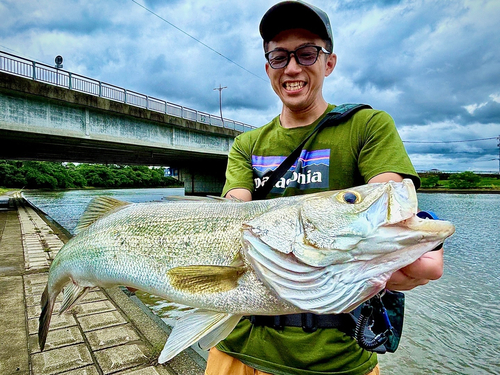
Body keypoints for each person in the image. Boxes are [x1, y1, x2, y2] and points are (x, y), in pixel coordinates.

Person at [204, 1, 444, 374]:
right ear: (268, 68)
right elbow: (232, 211)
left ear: (329, 62)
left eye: (307, 53)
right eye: (280, 57)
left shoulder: (367, 125)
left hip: (337, 360)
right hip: (238, 350)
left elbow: (386, 199)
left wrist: (409, 243)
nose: (293, 67)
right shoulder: (246, 144)